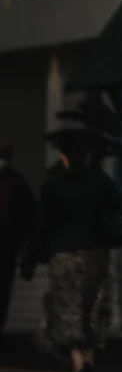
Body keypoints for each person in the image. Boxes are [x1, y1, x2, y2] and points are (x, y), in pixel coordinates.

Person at [18, 129, 122, 372]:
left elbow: (42, 225)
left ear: (63, 156)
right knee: (93, 308)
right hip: (96, 253)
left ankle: (80, 364)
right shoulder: (102, 182)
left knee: (68, 310)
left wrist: (30, 259)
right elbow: (121, 210)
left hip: (64, 255)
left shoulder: (54, 186)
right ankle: (87, 362)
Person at [0, 142, 37, 337]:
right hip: (8, 246)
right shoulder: (16, 181)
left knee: (3, 290)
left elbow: (28, 215)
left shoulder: (15, 182)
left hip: (6, 247)